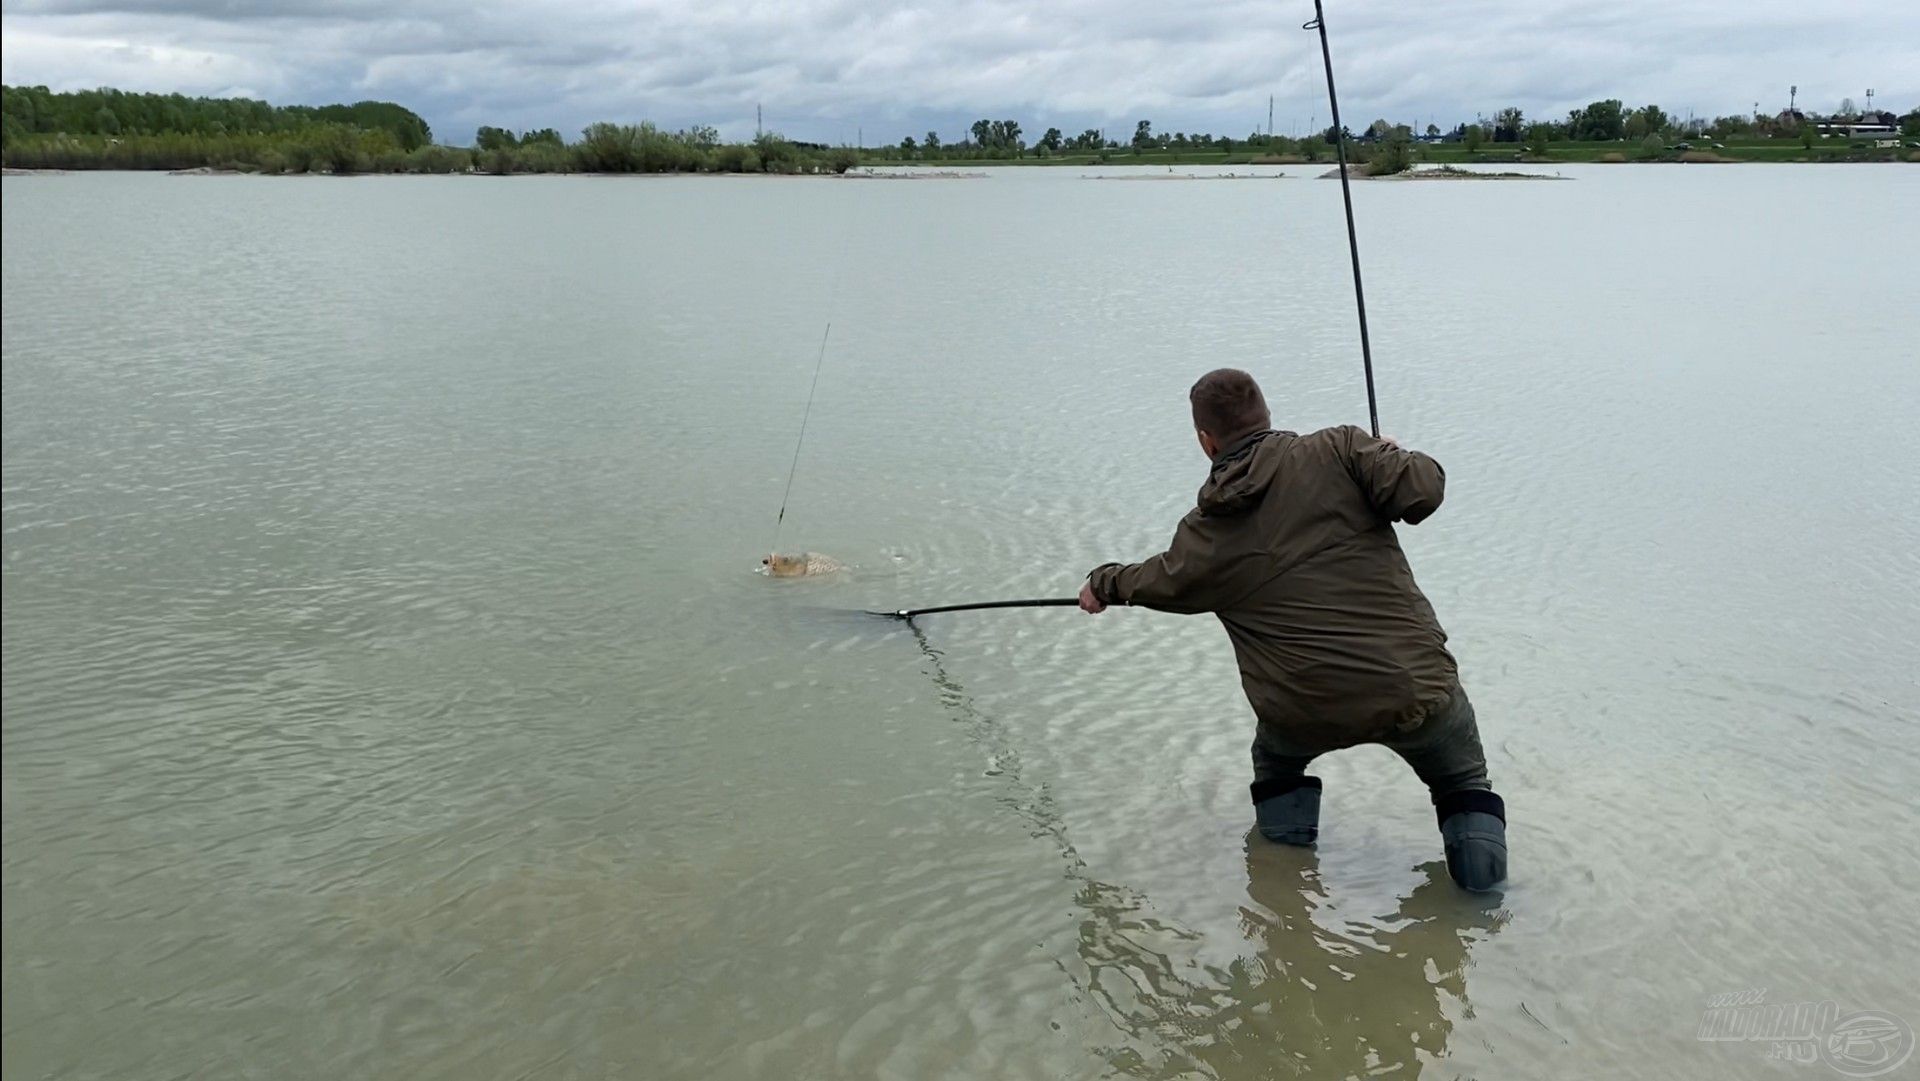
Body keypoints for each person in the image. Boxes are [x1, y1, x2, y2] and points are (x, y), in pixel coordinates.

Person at [1077, 368, 1507, 891]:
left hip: (1301, 710)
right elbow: (1423, 490)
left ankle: (1287, 889)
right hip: (1414, 688)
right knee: (1463, 781)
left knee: (1276, 764)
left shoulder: (1204, 538)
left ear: (1205, 441)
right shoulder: (1342, 449)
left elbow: (1156, 580)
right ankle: (1484, 912)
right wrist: (1390, 455)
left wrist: (1103, 584)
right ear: (1267, 416)